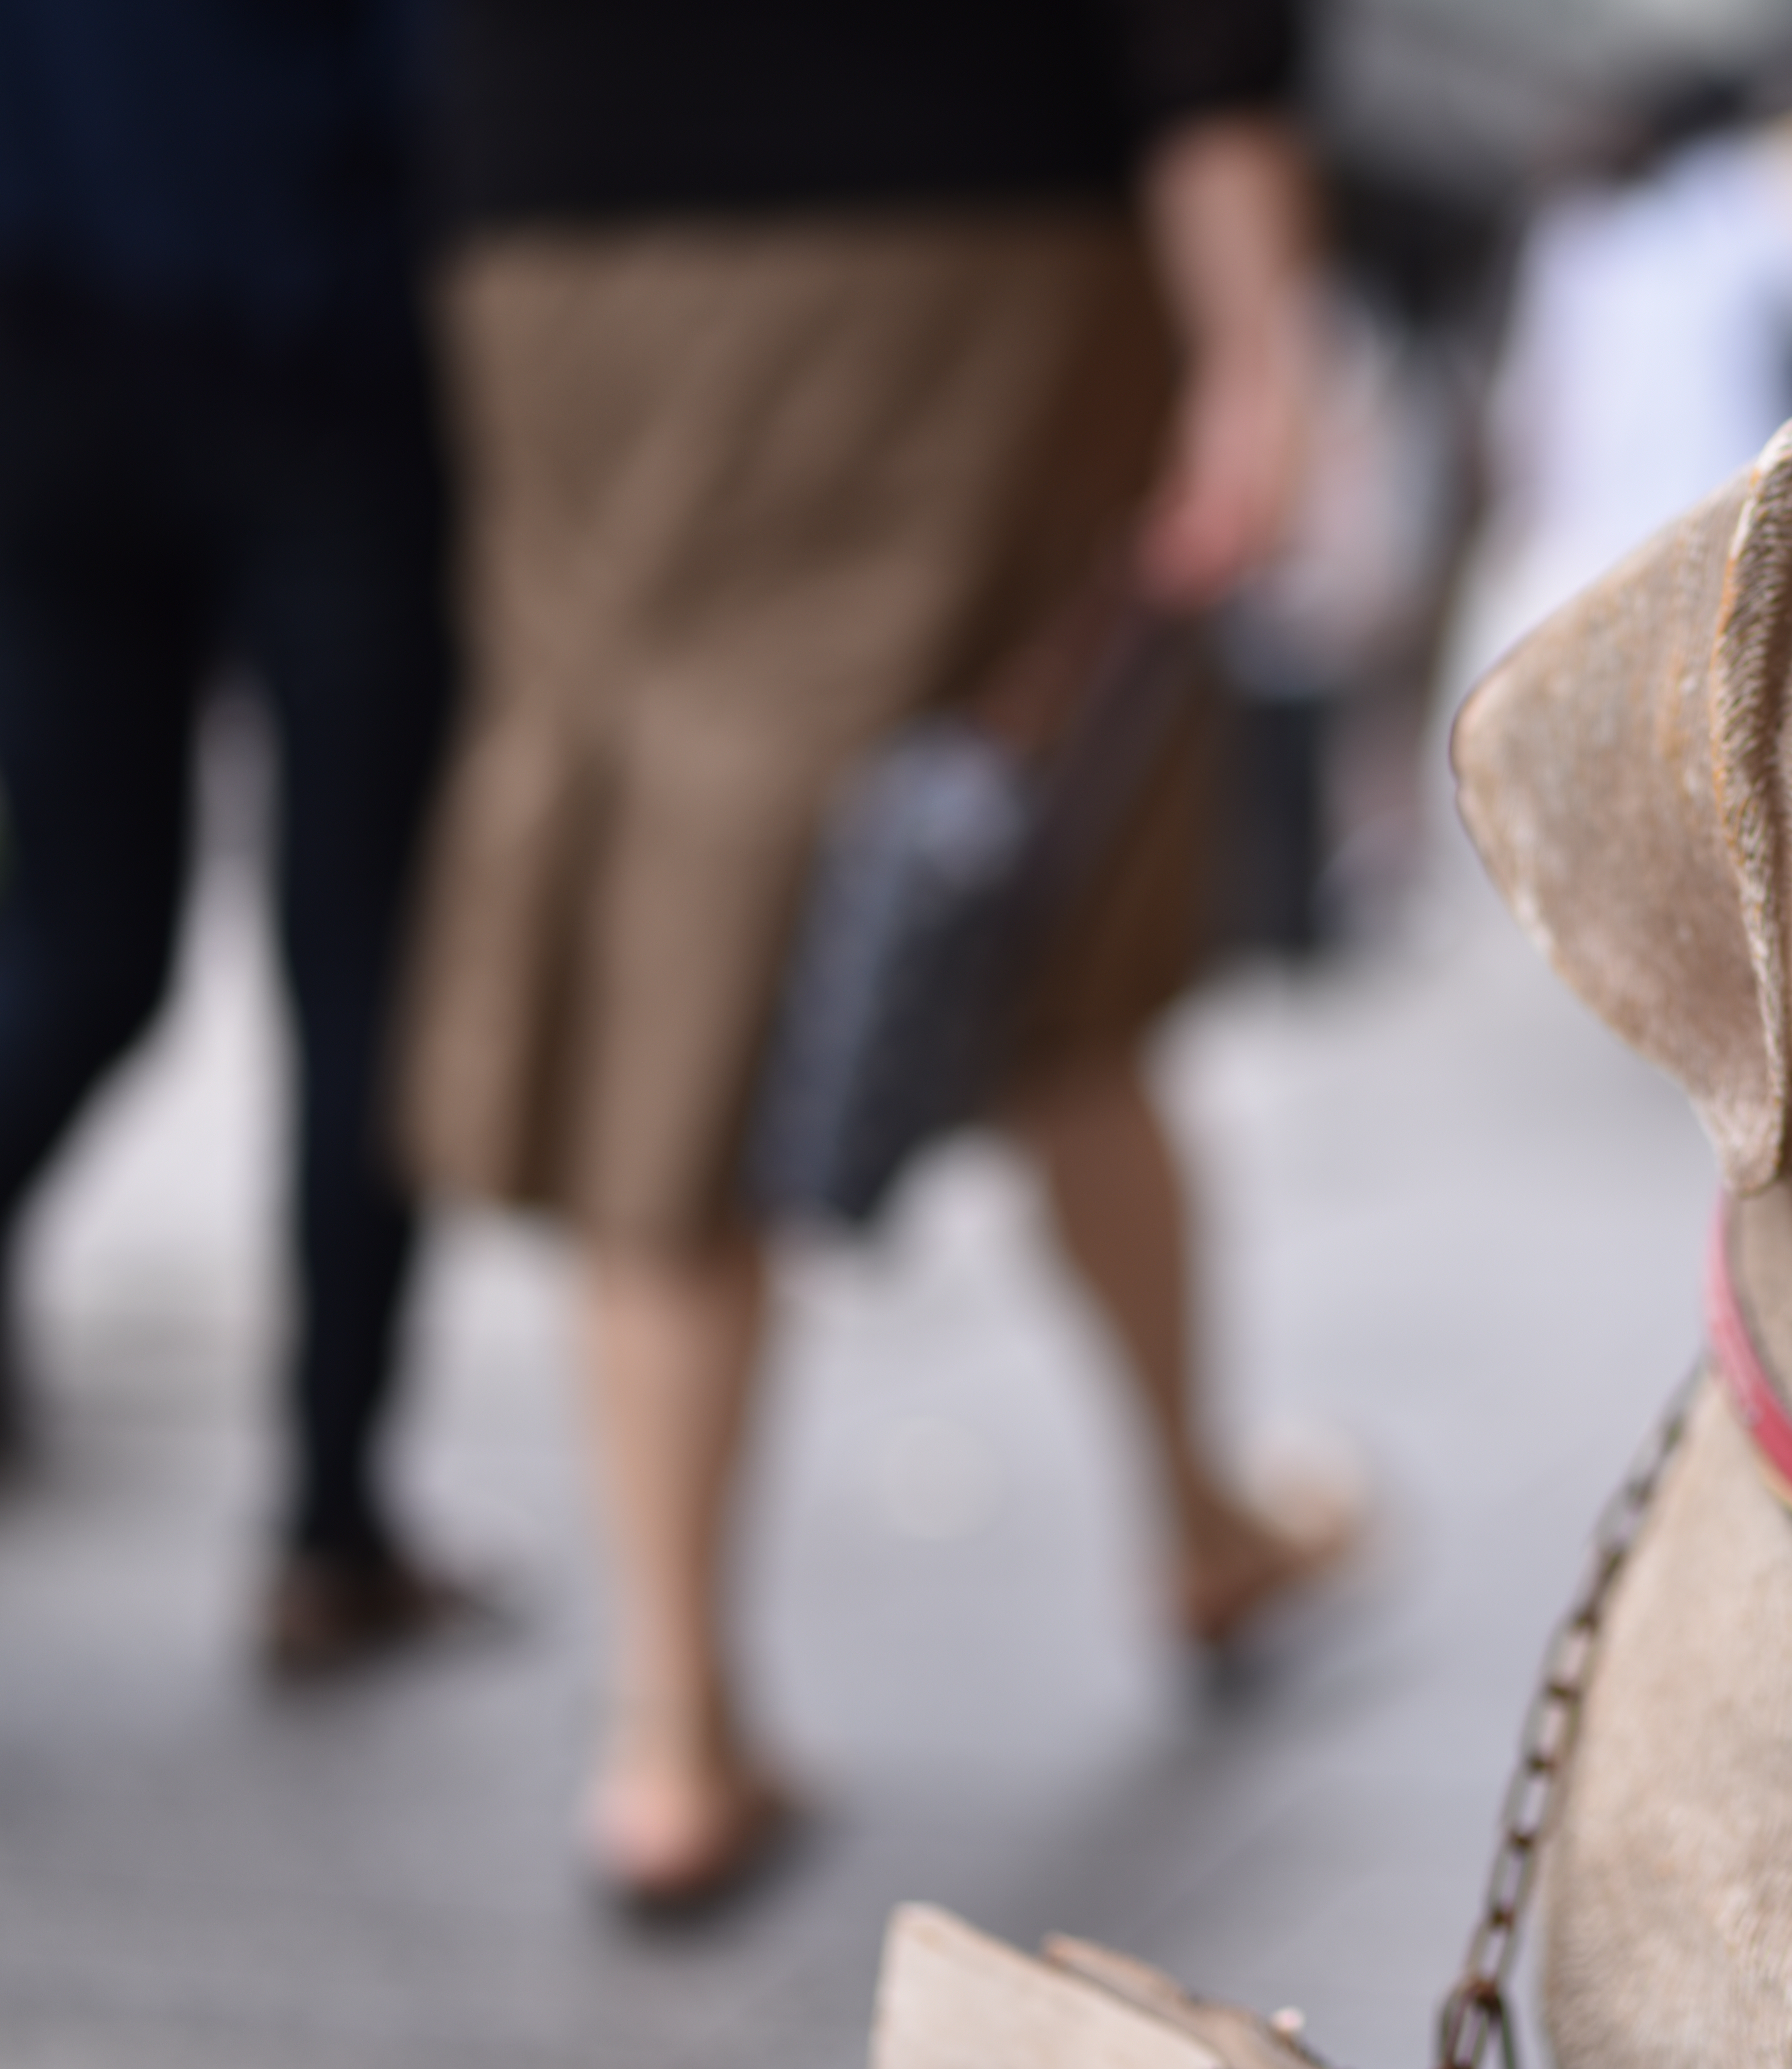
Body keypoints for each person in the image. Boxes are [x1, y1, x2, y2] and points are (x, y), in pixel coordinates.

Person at [407, 0, 1347, 1906]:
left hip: (554, 224)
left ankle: (677, 1723)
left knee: (675, 895)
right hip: (966, 209)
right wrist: (1261, 331)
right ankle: (1190, 1519)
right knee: (1027, 889)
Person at [0, 0, 463, 1670]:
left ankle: (344, 1518)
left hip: (53, 347)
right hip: (321, 361)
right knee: (360, 967)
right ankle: (334, 1524)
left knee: (78, 949)